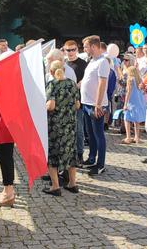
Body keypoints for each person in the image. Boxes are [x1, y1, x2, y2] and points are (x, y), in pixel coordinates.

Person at [43, 61, 81, 196]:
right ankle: (72, 183)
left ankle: (55, 186)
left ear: (51, 72)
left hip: (56, 125)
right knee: (70, 153)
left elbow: (51, 106)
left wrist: (43, 107)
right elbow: (77, 105)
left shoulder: (52, 84)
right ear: (64, 69)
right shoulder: (72, 84)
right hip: (70, 124)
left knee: (53, 154)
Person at [80, 35, 110, 176]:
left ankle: (100, 164)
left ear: (93, 46)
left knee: (98, 135)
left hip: (95, 104)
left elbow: (102, 83)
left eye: (86, 46)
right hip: (86, 103)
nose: (84, 49)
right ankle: (92, 158)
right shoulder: (92, 61)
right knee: (90, 134)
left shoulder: (103, 62)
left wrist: (98, 104)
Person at [63, 40, 88, 165]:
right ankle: (67, 154)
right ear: (64, 50)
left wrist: (79, 84)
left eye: (73, 49)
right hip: (64, 102)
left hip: (77, 100)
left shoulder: (83, 64)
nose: (71, 52)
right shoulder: (63, 63)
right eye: (68, 50)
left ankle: (79, 154)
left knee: (78, 128)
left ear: (77, 50)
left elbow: (87, 78)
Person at [122, 65, 147, 144]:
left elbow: (128, 92)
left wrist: (125, 104)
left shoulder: (130, 79)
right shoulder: (139, 79)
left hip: (131, 102)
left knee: (127, 119)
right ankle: (137, 137)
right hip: (139, 102)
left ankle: (128, 137)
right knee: (137, 121)